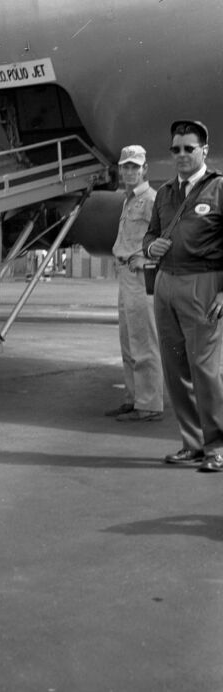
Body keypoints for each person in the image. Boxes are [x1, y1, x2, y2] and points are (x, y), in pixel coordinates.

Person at [142, 120, 223, 470]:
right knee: (175, 368)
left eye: (189, 148)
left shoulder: (218, 188)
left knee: (204, 368)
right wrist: (150, 248)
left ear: (204, 150)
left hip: (203, 284)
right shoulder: (164, 193)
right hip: (166, 285)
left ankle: (217, 447)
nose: (181, 155)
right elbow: (149, 235)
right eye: (176, 149)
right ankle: (192, 443)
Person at [104, 145, 164, 422]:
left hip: (140, 277)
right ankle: (133, 398)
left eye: (134, 167)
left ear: (145, 170)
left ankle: (150, 404)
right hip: (125, 276)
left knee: (144, 341)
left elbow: (167, 237)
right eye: (125, 166)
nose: (129, 171)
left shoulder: (152, 199)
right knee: (128, 342)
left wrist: (147, 259)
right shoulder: (128, 200)